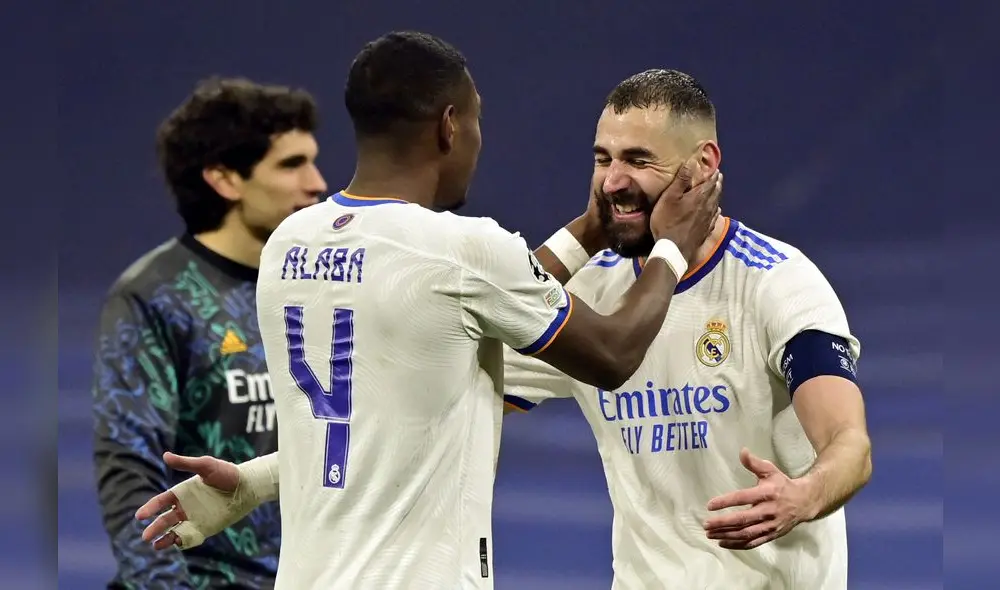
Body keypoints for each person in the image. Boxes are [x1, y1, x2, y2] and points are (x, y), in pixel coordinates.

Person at [136, 32, 720, 590]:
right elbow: (612, 353)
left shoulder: (290, 244)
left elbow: (394, 392)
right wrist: (673, 243)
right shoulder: (462, 249)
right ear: (448, 126)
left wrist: (250, 484)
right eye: (476, 120)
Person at [91, 76, 328, 589]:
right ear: (224, 179)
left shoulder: (322, 289)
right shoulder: (155, 296)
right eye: (292, 164)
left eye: (313, 160)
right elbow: (130, 473)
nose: (317, 183)